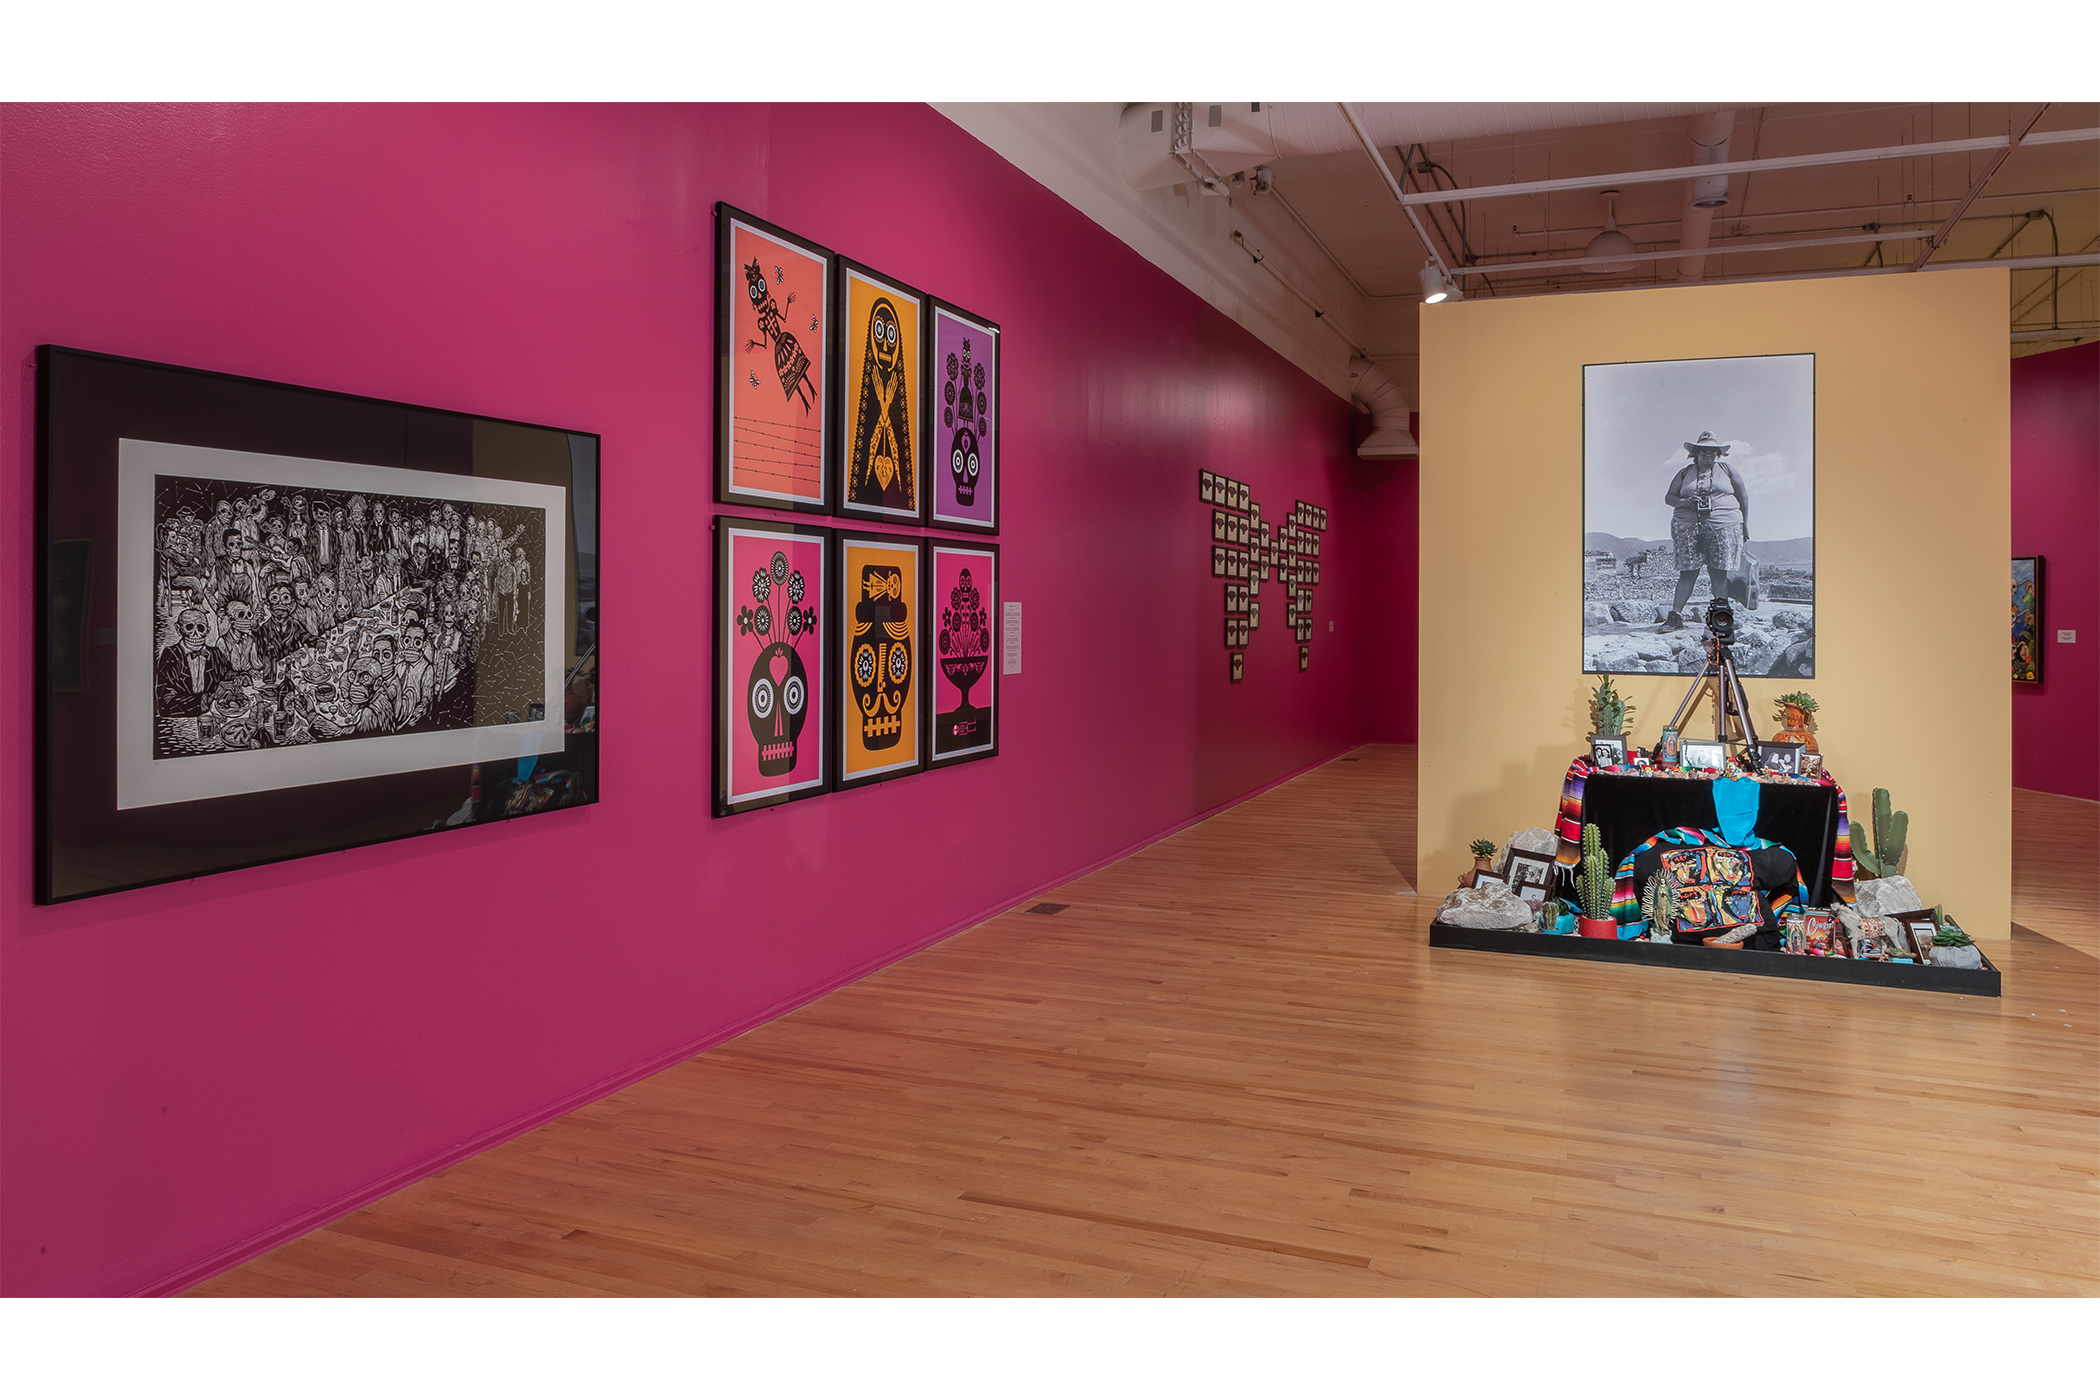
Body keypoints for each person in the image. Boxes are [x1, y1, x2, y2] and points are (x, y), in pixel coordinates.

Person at [1660, 431, 1750, 633]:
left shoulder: (1727, 470)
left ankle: (1721, 618)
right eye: (1704, 451)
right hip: (1688, 526)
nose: (1708, 455)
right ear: (1696, 453)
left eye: (1713, 451)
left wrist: (1745, 524)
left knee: (1719, 572)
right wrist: (1684, 502)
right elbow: (1669, 497)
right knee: (1688, 572)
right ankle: (1675, 617)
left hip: (1723, 525)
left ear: (1718, 454)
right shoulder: (1684, 473)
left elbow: (1743, 497)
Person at [154, 607, 236, 717]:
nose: (196, 634)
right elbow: (165, 705)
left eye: (201, 628)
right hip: (183, 723)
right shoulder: (170, 655)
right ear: (178, 629)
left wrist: (239, 678)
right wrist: (208, 698)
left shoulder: (215, 653)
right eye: (189, 627)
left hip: (214, 717)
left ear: (207, 630)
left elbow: (228, 673)